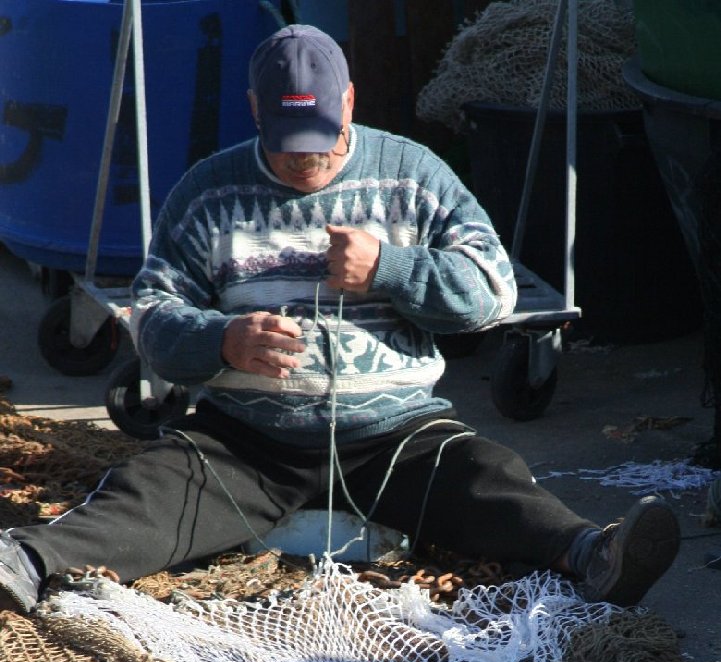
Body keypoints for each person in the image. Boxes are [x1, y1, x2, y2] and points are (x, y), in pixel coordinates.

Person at [0, 24, 680, 615]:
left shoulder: (412, 175)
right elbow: (150, 316)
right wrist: (223, 341)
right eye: (288, 141)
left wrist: (390, 268)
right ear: (253, 110)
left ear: (350, 101)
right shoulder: (209, 189)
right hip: (245, 440)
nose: (307, 158)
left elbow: (491, 293)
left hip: (395, 433)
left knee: (486, 474)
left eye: (323, 138)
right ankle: (26, 561)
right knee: (146, 491)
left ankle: (592, 552)